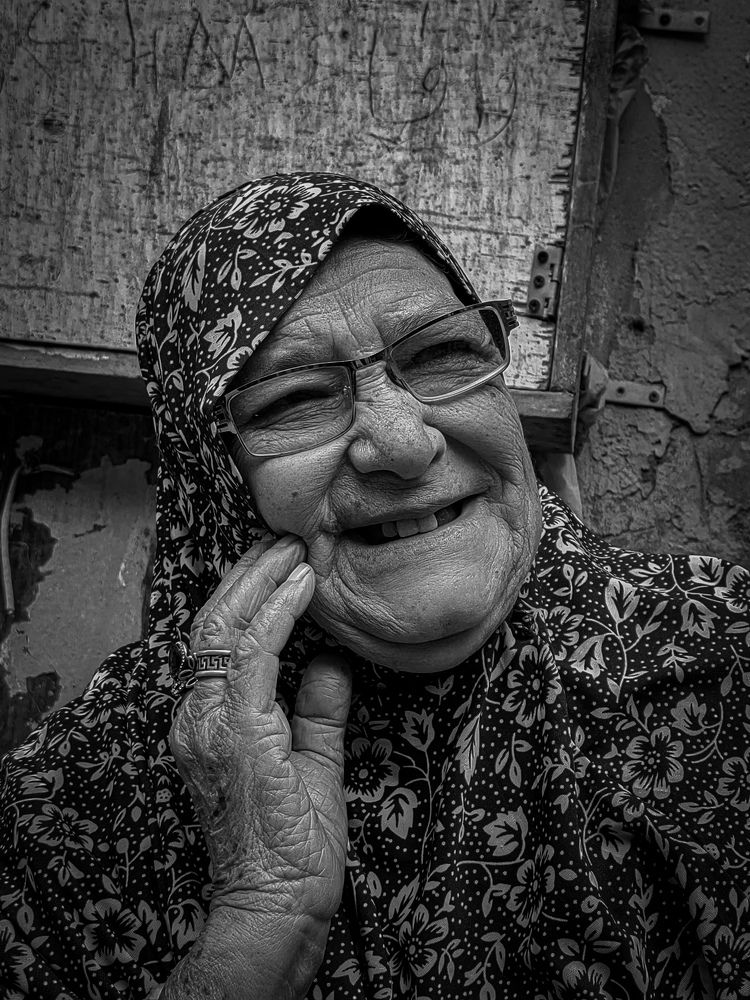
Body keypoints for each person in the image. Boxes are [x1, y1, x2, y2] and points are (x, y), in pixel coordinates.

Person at [1, 173, 749, 1000]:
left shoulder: (717, 666)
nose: (402, 442)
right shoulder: (77, 801)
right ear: (214, 480)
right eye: (295, 399)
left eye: (441, 355)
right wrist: (262, 918)